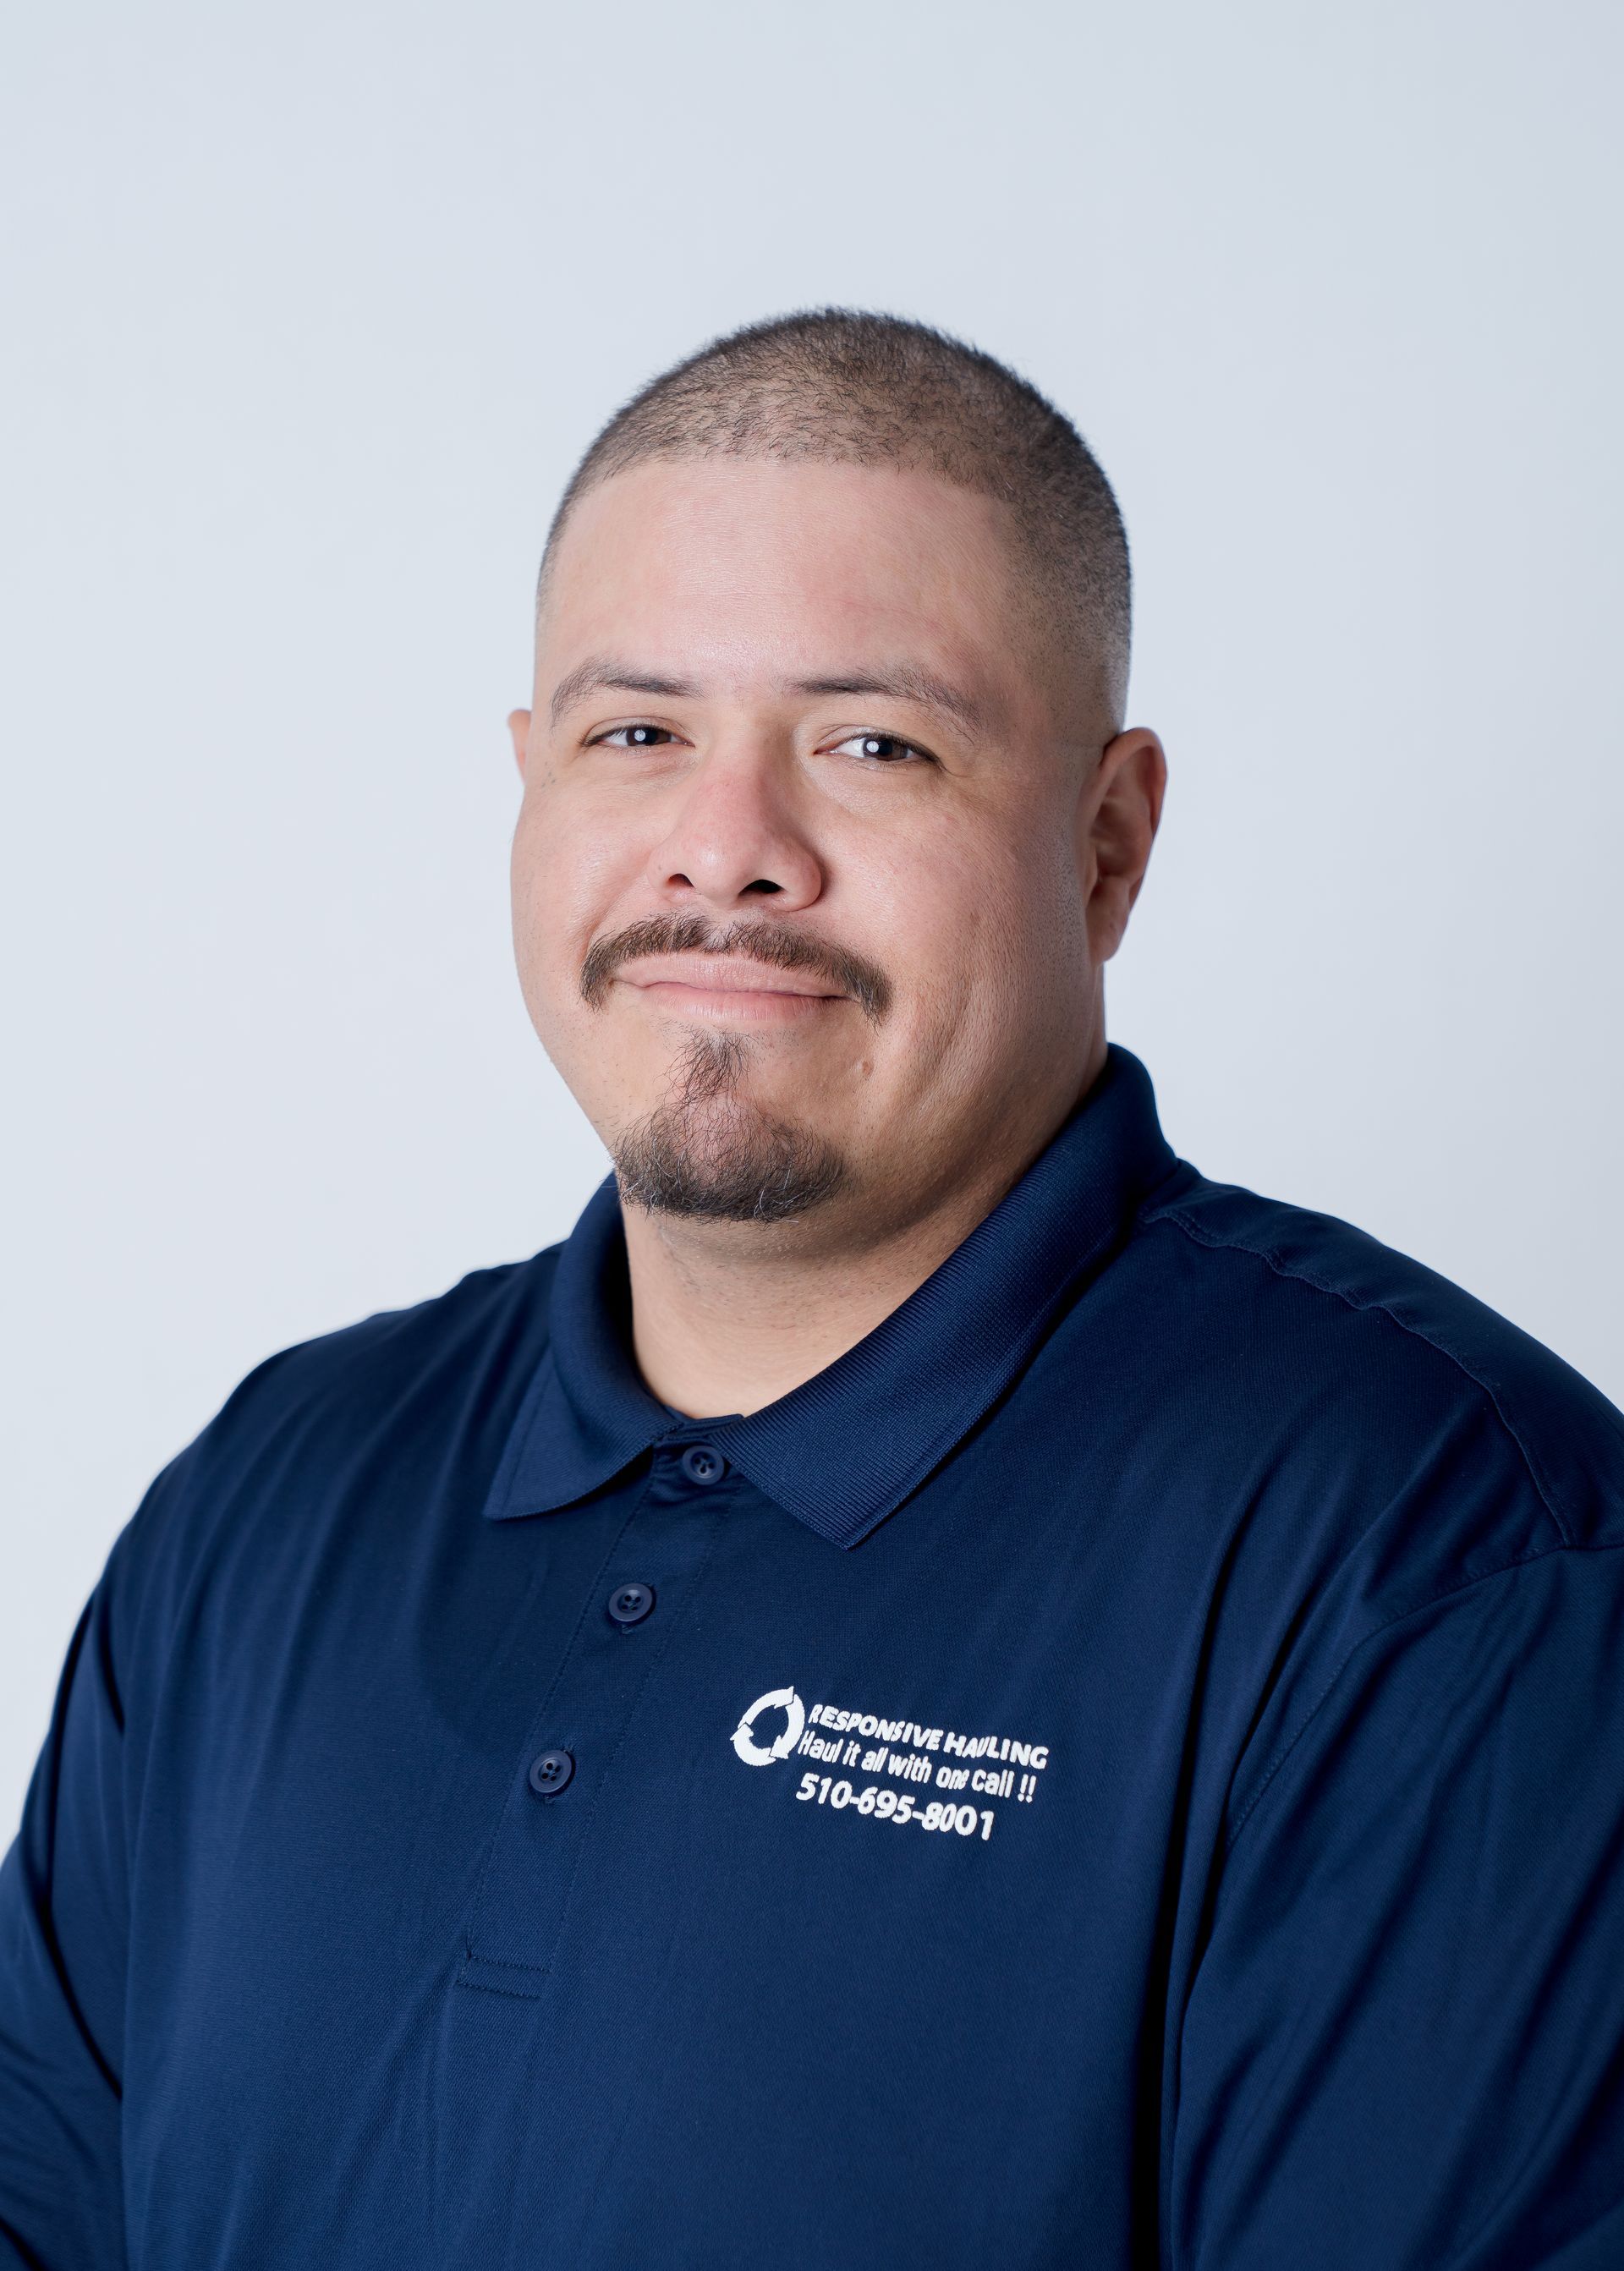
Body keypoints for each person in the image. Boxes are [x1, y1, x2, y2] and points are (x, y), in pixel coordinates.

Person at [3, 310, 1621, 2271]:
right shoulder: (266, 1503)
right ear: (528, 782)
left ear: (1107, 846)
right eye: (637, 734)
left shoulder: (1444, 1558)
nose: (727, 850)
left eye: (873, 743)